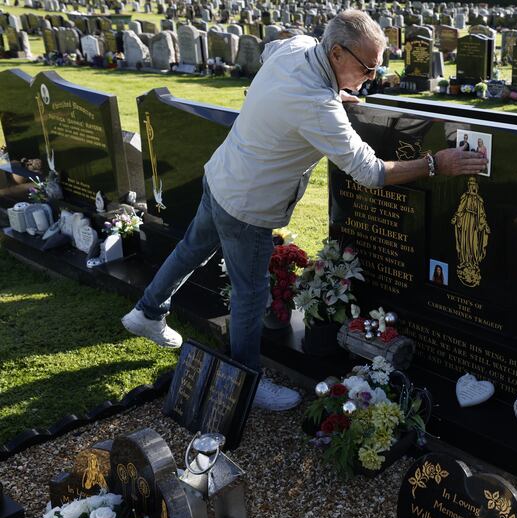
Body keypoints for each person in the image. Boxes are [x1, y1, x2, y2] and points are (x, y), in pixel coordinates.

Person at [121, 10, 487, 411]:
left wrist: (336, 90)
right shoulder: (315, 104)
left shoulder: (296, 48)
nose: (371, 78)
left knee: (192, 248)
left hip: (223, 174)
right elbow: (370, 172)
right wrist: (435, 164)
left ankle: (147, 312)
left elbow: (269, 52)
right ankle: (246, 381)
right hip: (249, 204)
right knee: (250, 296)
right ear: (336, 53)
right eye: (367, 68)